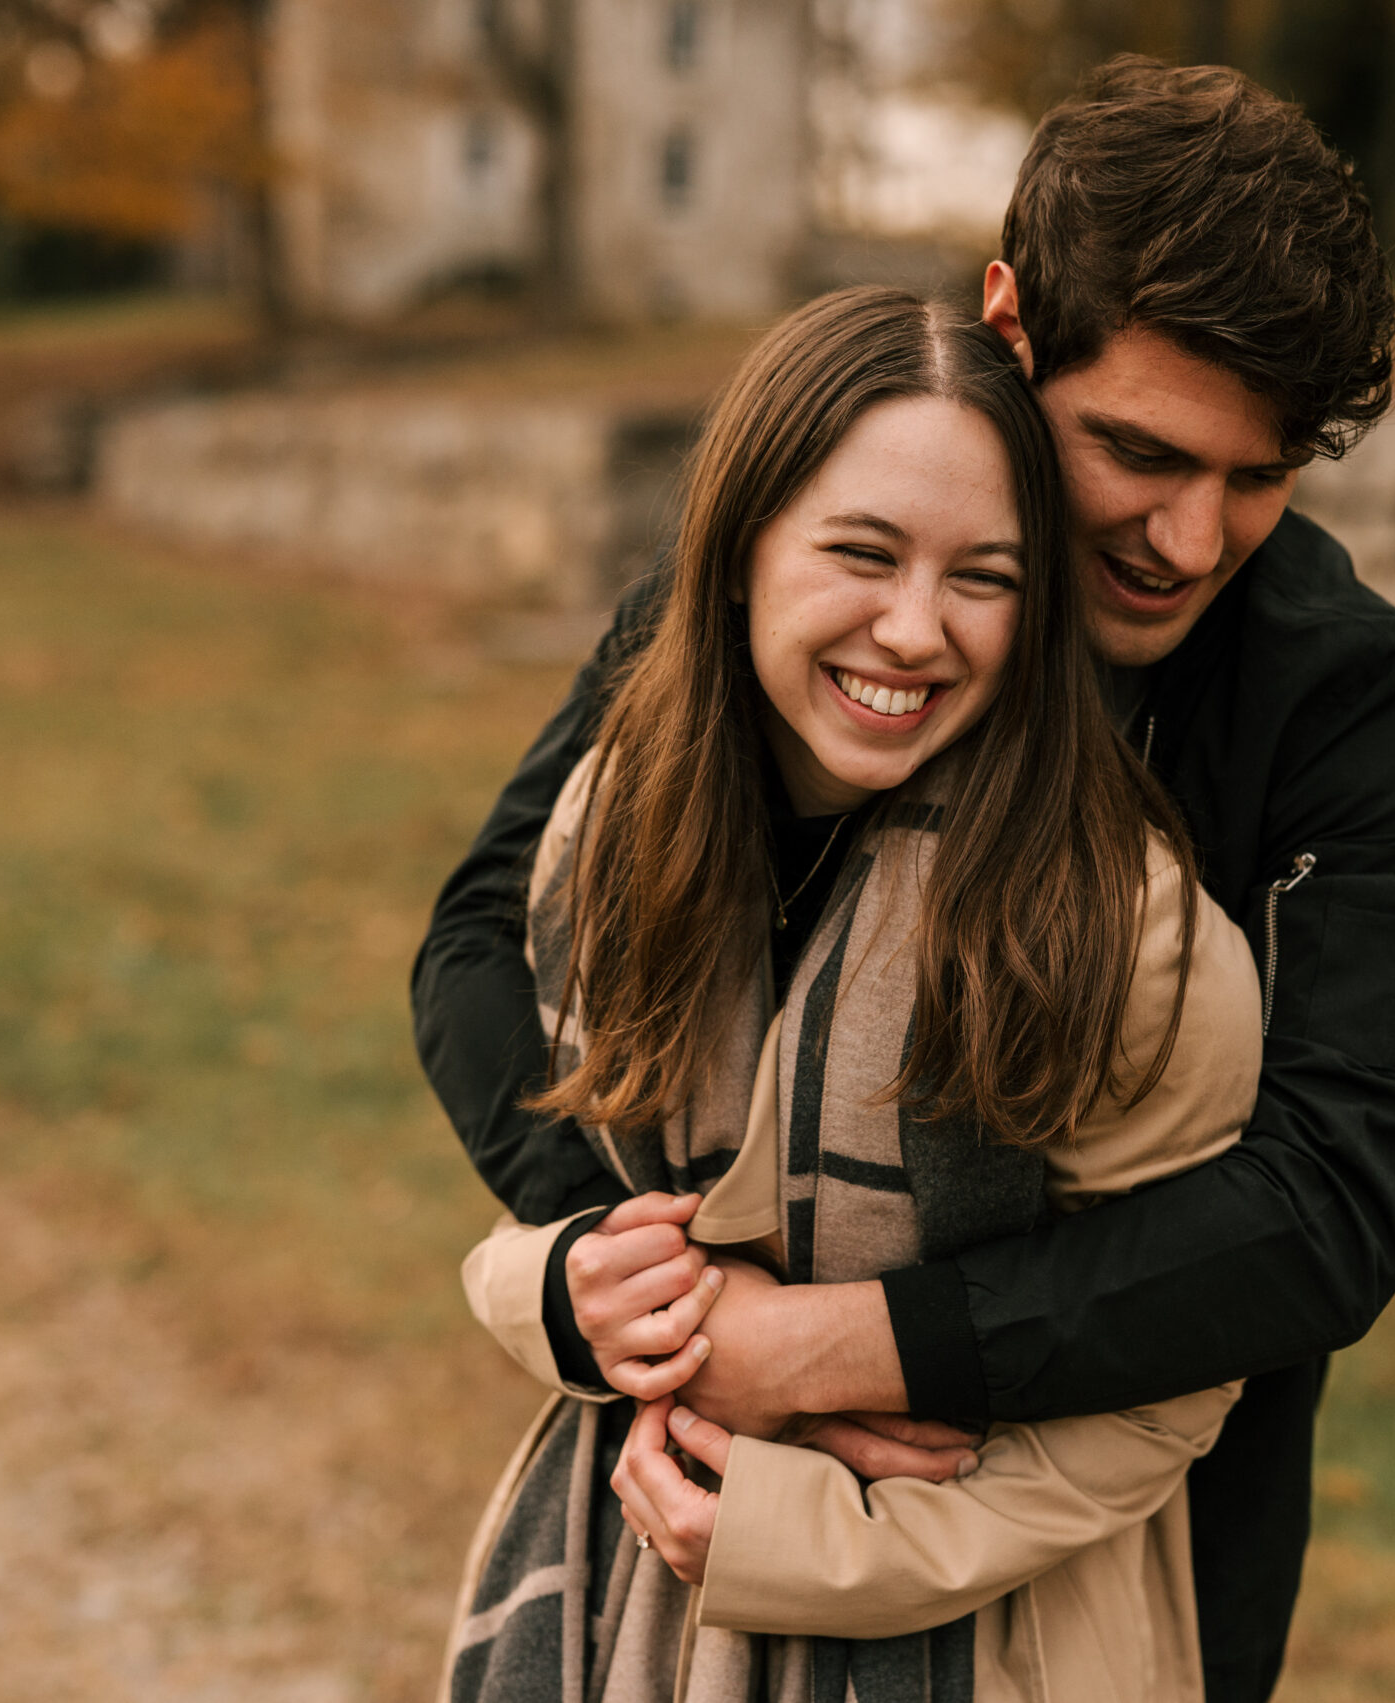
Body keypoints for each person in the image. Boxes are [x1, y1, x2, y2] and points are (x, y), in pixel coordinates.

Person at [414, 57, 1395, 1702]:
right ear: (1009, 319)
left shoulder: (1356, 703)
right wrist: (651, 1299)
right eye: (1137, 450)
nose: (1189, 541)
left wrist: (843, 1352)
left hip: (1113, 1568)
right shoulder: (799, 569)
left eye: (1259, 477)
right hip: (688, 1531)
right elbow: (493, 932)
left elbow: (1326, 1209)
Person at [448, 283, 1268, 1703]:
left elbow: (1171, 1379)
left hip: (991, 1632)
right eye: (862, 552)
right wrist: (568, 1298)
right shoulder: (611, 835)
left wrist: (797, 1526)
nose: (912, 630)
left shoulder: (1124, 930)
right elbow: (575, 1210)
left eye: (985, 577)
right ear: (742, 549)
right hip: (629, 1588)